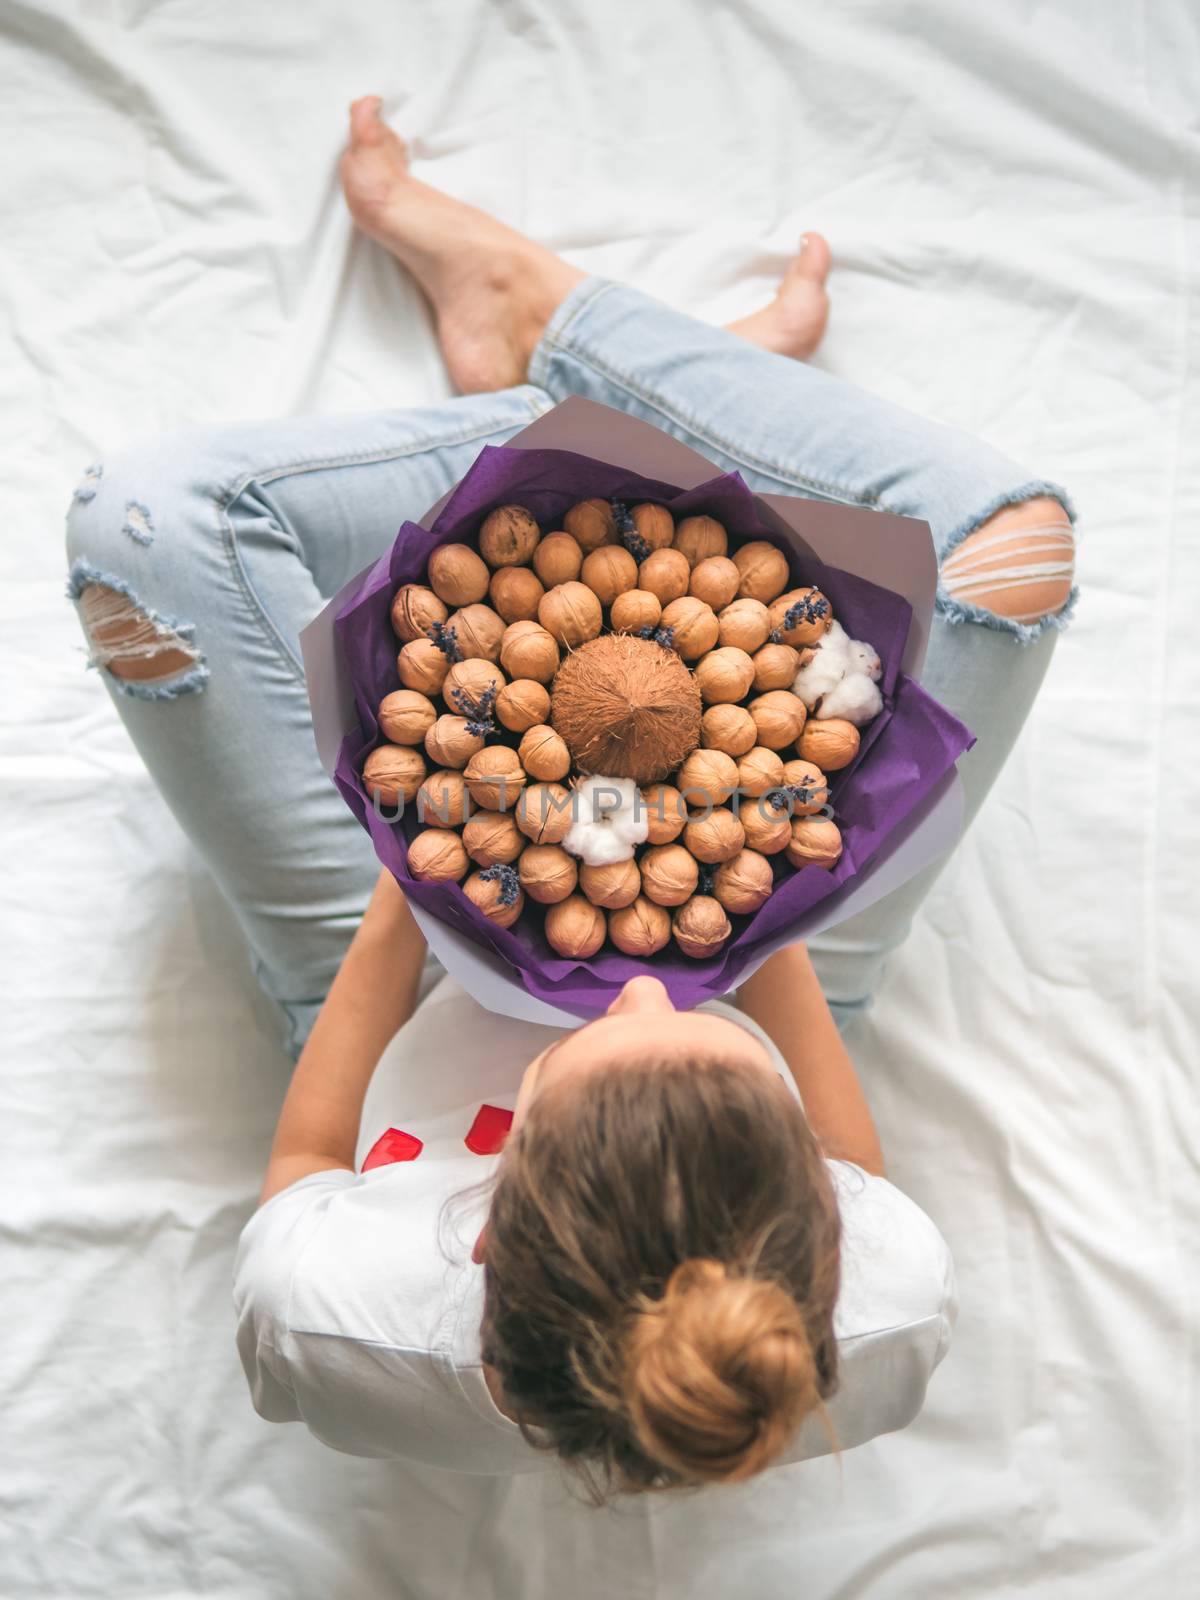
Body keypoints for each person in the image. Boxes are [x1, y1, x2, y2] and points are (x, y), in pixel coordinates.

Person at [63, 97, 1076, 1497]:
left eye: (602, 1038)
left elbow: (306, 1148)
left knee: (136, 536)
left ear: (476, 1228)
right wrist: (760, 918)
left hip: (392, 1007)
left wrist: (394, 914)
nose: (645, 988)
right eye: (689, 1031)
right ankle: (616, 368)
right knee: (1014, 562)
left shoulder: (338, 1319)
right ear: (820, 1233)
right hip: (771, 961)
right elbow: (843, 1132)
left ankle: (600, 379)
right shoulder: (881, 1305)